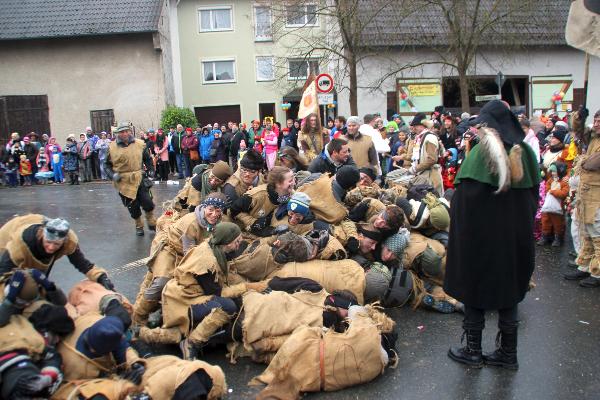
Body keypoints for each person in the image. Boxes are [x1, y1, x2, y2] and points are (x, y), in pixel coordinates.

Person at [444, 100, 540, 370]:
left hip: (480, 240)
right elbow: (533, 197)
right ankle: (508, 353)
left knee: (474, 286)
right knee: (509, 289)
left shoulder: (481, 154)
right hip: (513, 239)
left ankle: (472, 351)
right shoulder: (527, 154)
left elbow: (465, 203)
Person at [156, 222, 266, 359]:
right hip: (184, 299)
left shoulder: (214, 246)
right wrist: (247, 287)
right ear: (226, 242)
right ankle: (192, 342)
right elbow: (217, 293)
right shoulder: (207, 262)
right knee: (227, 307)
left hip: (193, 292)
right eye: (237, 241)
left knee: (237, 302)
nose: (240, 243)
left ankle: (210, 336)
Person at [133, 192, 228, 326]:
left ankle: (165, 311)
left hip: (191, 252)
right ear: (205, 207)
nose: (214, 214)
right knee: (161, 283)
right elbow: (189, 256)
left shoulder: (220, 222)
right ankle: (138, 316)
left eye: (218, 211)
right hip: (171, 250)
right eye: (210, 210)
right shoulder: (191, 223)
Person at [0, 215, 115, 289]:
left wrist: (101, 277)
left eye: (56, 244)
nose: (51, 247)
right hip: (9, 236)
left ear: (63, 241)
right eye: (48, 242)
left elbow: (82, 263)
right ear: (42, 236)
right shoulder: (20, 244)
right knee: (17, 290)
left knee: (39, 285)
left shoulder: (69, 241)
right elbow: (3, 273)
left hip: (38, 240)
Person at [564, 109, 600, 287]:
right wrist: (580, 117)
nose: (597, 124)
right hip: (586, 192)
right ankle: (585, 266)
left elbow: (593, 163)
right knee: (585, 231)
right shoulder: (594, 137)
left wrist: (584, 160)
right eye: (596, 120)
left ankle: (598, 273)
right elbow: (578, 131)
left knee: (597, 233)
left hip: (597, 194)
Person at [105, 122, 157, 236]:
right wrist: (112, 175)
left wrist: (151, 169)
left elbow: (147, 159)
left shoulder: (140, 144)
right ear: (118, 133)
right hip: (123, 181)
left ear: (130, 131)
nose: (124, 134)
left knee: (147, 201)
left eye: (126, 131)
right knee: (132, 206)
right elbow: (106, 165)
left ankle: (151, 220)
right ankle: (138, 224)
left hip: (139, 177)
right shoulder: (112, 147)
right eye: (121, 132)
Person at [230, 166, 295, 236]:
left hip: (270, 230)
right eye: (290, 181)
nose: (294, 183)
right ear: (278, 184)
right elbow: (233, 210)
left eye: (294, 178)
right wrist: (253, 222)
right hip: (245, 233)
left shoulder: (292, 194)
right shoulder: (256, 196)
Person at [409, 113, 444, 196]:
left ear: (423, 126)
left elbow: (432, 159)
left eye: (416, 126)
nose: (414, 128)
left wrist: (415, 168)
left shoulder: (429, 138)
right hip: (423, 174)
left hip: (430, 176)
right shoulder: (421, 137)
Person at [538, 161, 569, 247]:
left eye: (554, 171)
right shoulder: (550, 181)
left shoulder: (563, 182)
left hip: (558, 206)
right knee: (545, 220)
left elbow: (564, 193)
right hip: (548, 205)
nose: (553, 173)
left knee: (558, 222)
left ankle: (558, 238)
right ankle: (545, 236)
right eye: (552, 171)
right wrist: (553, 191)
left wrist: (553, 192)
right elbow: (547, 190)